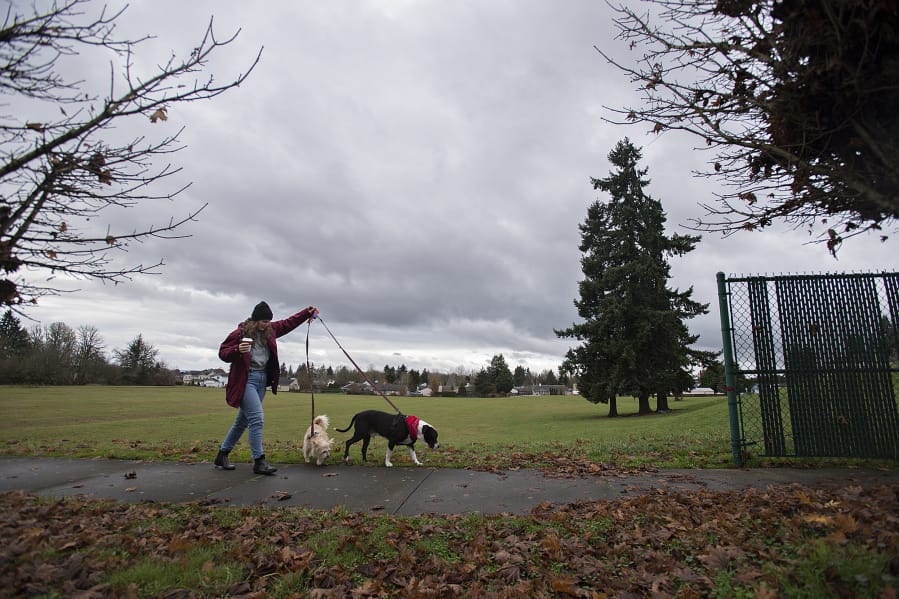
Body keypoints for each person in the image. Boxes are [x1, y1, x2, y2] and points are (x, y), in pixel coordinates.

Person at [214, 301, 318, 475]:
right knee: (257, 419)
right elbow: (223, 352)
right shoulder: (240, 333)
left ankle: (222, 454)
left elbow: (288, 323)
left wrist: (306, 313)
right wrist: (237, 349)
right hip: (246, 380)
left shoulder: (271, 331)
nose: (266, 324)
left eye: (268, 321)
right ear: (255, 320)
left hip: (263, 380)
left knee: (242, 421)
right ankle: (259, 461)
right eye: (263, 321)